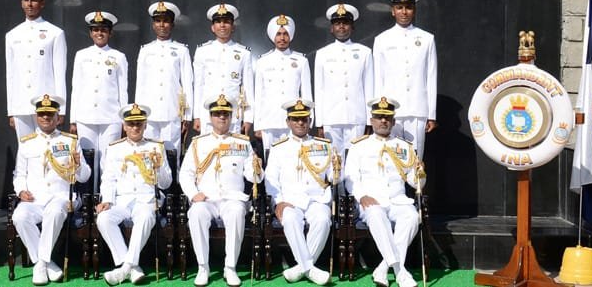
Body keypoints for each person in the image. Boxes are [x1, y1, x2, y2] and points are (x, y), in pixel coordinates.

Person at [179, 94, 264, 287]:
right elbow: (185, 173)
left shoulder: (243, 143)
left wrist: (257, 169)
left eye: (226, 113)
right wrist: (193, 194)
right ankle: (203, 267)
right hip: (207, 198)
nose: (222, 117)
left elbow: (253, 177)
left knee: (236, 212)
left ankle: (230, 267)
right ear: (210, 117)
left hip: (232, 198)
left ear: (232, 116)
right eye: (217, 113)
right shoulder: (198, 142)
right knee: (196, 213)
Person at [344, 97, 425, 287]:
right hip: (371, 200)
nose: (383, 121)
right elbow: (350, 177)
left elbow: (415, 183)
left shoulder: (405, 147)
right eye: (379, 117)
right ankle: (400, 272)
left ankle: (382, 269)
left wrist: (420, 173)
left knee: (412, 217)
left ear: (393, 121)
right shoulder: (359, 145)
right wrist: (361, 195)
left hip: (398, 200)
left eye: (387, 117)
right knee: (375, 214)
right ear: (371, 120)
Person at [12, 95, 91, 286]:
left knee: (54, 212)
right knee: (19, 217)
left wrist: (79, 165)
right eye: (42, 114)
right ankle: (45, 263)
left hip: (61, 196)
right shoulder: (26, 142)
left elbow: (84, 177)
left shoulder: (70, 141)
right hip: (35, 199)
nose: (46, 117)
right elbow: (19, 174)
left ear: (58, 117)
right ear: (36, 116)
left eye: (50, 114)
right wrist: (21, 191)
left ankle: (40, 265)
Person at [96, 103, 172, 285]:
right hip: (122, 200)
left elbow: (166, 183)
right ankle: (131, 267)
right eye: (131, 124)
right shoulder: (114, 148)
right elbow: (108, 178)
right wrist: (107, 200)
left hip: (147, 199)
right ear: (124, 126)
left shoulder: (156, 147)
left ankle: (124, 269)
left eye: (139, 124)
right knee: (103, 219)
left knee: (145, 217)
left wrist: (159, 167)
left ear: (145, 125)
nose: (135, 128)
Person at [264, 98, 337, 285]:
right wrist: (279, 201)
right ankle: (310, 269)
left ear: (310, 121)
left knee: (323, 219)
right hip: (290, 200)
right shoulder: (278, 148)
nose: (300, 123)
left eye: (304, 119)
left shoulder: (324, 145)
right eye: (295, 119)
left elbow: (334, 177)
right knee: (289, 218)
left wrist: (338, 169)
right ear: (288, 122)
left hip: (317, 199)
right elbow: (271, 180)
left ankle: (302, 269)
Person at [372, 0, 437, 159]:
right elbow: (378, 78)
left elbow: (431, 77)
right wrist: (379, 111)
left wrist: (431, 114)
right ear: (393, 11)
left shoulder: (427, 39)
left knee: (415, 159)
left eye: (408, 7)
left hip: (417, 109)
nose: (404, 12)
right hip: (390, 110)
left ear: (414, 10)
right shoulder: (382, 39)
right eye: (399, 7)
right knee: (390, 157)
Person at [5, 0, 67, 141]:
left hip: (46, 104)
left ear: (42, 3)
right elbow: (10, 75)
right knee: (25, 149)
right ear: (21, 3)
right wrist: (11, 110)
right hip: (21, 104)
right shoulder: (12, 35)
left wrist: (61, 108)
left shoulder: (55, 33)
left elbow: (60, 73)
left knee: (48, 146)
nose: (30, 4)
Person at [69, 10, 128, 174]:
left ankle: (106, 191)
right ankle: (88, 191)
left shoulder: (118, 57)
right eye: (95, 30)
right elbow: (76, 88)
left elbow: (123, 91)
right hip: (85, 117)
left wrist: (124, 120)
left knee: (108, 161)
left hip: (111, 117)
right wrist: (73, 119)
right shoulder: (81, 55)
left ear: (110, 33)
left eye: (103, 30)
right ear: (90, 33)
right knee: (87, 160)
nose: (99, 33)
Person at [313, 3, 374, 154]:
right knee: (334, 161)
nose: (341, 27)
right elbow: (319, 90)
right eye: (337, 23)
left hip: (356, 117)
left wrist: (369, 119)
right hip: (331, 118)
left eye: (345, 23)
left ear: (352, 27)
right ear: (331, 28)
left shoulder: (365, 52)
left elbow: (369, 88)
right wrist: (320, 123)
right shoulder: (322, 54)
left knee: (357, 158)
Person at [134, 1, 193, 154]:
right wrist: (138, 112)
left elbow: (187, 83)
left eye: (166, 21)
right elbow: (141, 84)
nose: (162, 25)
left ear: (172, 24)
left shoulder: (181, 50)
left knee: (171, 153)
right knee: (148, 153)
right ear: (153, 25)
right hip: (149, 111)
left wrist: (187, 114)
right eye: (158, 21)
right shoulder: (145, 50)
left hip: (171, 110)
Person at [192, 3, 254, 136]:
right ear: (212, 27)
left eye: (226, 22)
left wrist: (248, 118)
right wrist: (196, 116)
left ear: (233, 27)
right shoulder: (203, 51)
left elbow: (248, 88)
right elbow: (198, 86)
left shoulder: (244, 53)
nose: (222, 25)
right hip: (208, 113)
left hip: (233, 114)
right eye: (218, 22)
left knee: (233, 148)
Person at [254, 14, 313, 150]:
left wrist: (309, 120)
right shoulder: (263, 61)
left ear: (290, 36)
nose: (282, 38)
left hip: (294, 119)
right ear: (273, 37)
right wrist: (258, 125)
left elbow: (307, 94)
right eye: (278, 34)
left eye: (285, 34)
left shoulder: (301, 61)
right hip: (269, 120)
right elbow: (259, 95)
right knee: (270, 157)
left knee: (294, 155)